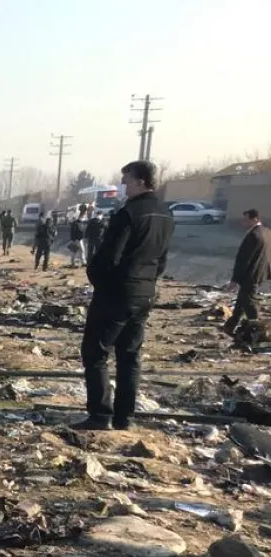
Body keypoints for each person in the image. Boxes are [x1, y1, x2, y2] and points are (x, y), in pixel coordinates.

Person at [75, 161, 174, 431]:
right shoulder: (165, 214)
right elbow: (162, 260)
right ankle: (124, 418)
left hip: (117, 293)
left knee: (95, 353)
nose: (123, 186)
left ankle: (100, 415)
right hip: (145, 293)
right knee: (130, 356)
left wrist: (97, 280)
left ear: (141, 181)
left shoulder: (128, 214)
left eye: (126, 180)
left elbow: (108, 257)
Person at [225, 209, 270, 338]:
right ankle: (230, 327)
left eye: (246, 219)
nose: (242, 222)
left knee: (249, 303)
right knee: (241, 301)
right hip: (260, 273)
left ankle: (258, 330)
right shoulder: (267, 232)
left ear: (255, 219)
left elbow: (244, 260)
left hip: (250, 274)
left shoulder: (253, 235)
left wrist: (235, 280)